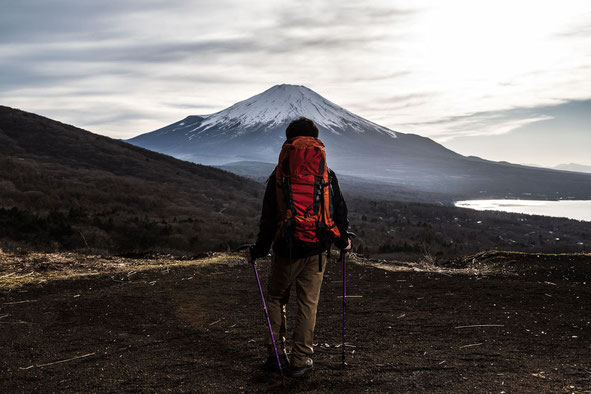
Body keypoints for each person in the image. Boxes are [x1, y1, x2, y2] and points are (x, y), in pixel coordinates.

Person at [245, 117, 351, 378]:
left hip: (286, 249)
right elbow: (338, 212)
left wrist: (260, 249)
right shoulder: (326, 173)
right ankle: (301, 360)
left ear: (288, 139)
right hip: (317, 250)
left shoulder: (280, 173)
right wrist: (342, 240)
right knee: (308, 304)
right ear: (315, 138)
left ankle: (276, 355)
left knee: (275, 298)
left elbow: (268, 218)